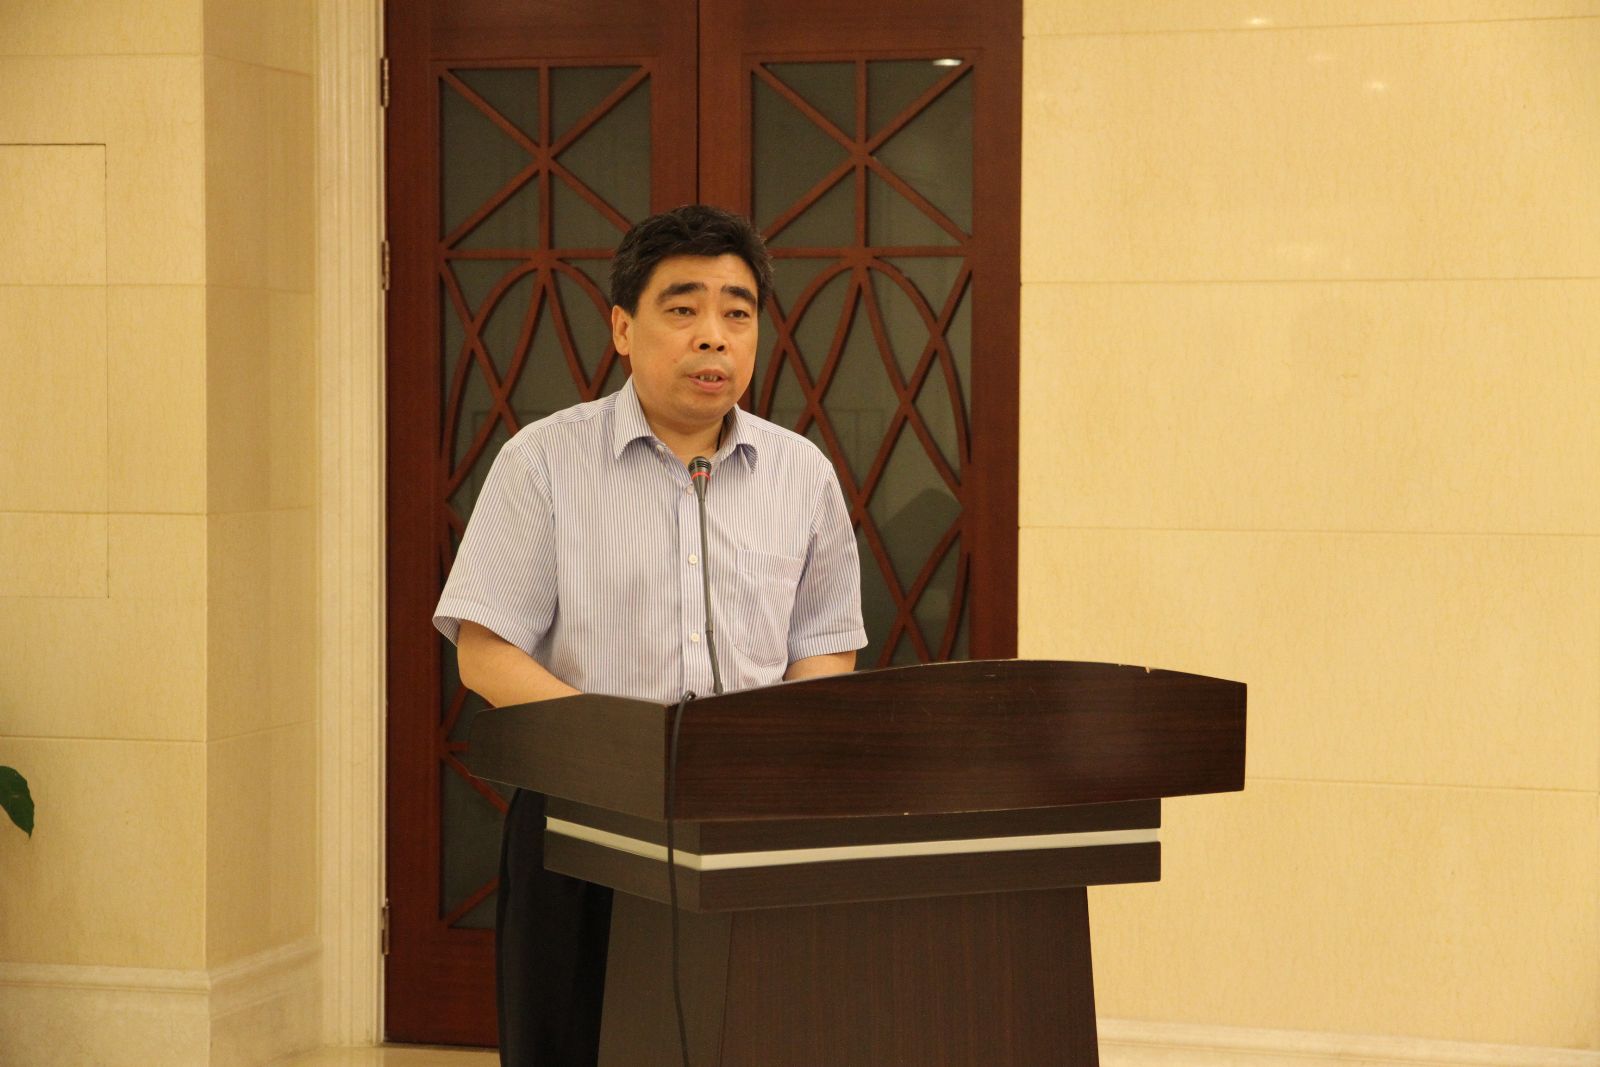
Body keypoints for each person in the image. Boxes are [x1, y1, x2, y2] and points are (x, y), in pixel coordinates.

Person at [433, 204, 867, 1067]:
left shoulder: (801, 474)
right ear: (624, 328)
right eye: (684, 308)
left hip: (746, 817)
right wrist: (621, 752)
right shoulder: (543, 462)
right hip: (582, 818)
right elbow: (484, 651)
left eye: (737, 312)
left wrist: (777, 760)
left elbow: (825, 644)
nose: (714, 335)